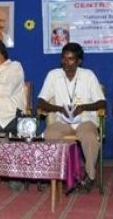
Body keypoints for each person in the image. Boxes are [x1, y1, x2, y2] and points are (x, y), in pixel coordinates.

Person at [37, 42, 105, 193]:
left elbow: (102, 102)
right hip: (63, 120)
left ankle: (89, 176)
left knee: (88, 136)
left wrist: (83, 107)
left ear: (79, 61)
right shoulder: (53, 75)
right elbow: (41, 101)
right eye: (64, 59)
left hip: (85, 119)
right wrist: (59, 108)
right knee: (50, 134)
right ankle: (60, 174)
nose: (66, 63)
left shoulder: (88, 75)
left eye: (71, 59)